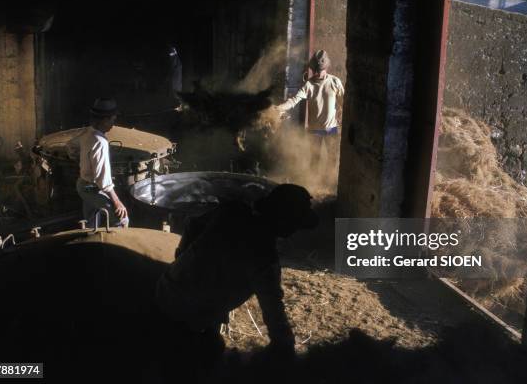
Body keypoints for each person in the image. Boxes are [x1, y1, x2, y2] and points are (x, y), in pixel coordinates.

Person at [155, 183, 319, 379]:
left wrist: (183, 259)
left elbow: (193, 224)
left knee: (210, 343)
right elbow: (273, 307)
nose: (294, 230)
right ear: (283, 220)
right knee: (201, 361)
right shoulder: (263, 256)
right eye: (294, 224)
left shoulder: (232, 211)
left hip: (167, 288)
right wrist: (285, 346)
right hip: (191, 315)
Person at [275, 50, 345, 170]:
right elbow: (294, 100)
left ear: (326, 67)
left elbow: (344, 102)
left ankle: (330, 184)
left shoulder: (335, 82)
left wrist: (341, 113)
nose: (318, 72)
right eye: (316, 70)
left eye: (321, 69)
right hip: (314, 130)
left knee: (332, 159)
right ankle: (314, 185)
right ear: (313, 69)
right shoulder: (308, 85)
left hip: (331, 128)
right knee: (314, 160)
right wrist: (279, 108)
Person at [67, 98, 129, 228]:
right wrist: (117, 202)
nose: (113, 124)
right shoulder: (100, 142)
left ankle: (90, 243)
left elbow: (70, 145)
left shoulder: (87, 132)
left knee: (91, 221)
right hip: (93, 189)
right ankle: (116, 247)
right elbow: (103, 180)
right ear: (105, 119)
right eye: (112, 120)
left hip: (82, 184)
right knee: (122, 219)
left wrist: (82, 159)